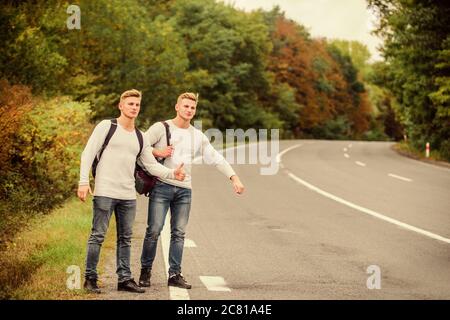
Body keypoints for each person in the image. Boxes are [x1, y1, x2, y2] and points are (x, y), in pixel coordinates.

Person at [77, 89, 186, 294]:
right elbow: (88, 153)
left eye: (137, 104)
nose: (134, 107)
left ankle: (124, 279)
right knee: (98, 236)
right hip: (104, 191)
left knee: (125, 238)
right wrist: (83, 182)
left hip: (128, 195)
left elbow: (151, 165)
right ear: (121, 106)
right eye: (130, 104)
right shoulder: (106, 127)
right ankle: (90, 279)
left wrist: (172, 173)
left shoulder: (140, 136)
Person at [139, 92, 245, 289]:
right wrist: (158, 152)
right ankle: (145, 271)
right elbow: (139, 145)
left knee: (179, 233)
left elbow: (215, 157)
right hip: (162, 185)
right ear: (177, 107)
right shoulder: (161, 128)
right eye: (185, 106)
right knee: (154, 230)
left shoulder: (197, 136)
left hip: (184, 190)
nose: (189, 110)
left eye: (192, 107)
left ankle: (175, 274)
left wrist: (234, 177)